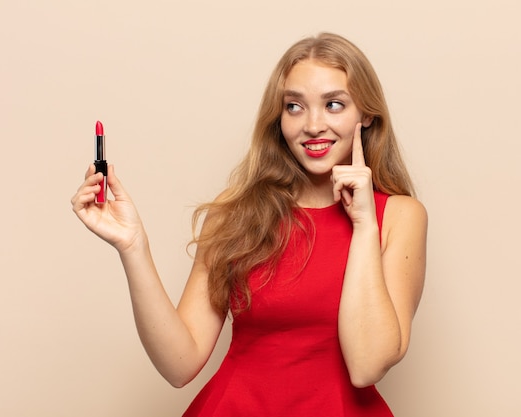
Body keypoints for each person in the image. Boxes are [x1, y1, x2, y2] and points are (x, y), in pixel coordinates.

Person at [71, 32, 427, 416]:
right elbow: (179, 364)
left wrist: (362, 224)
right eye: (294, 106)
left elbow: (367, 365)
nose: (312, 124)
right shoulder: (235, 216)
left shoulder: (399, 216)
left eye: (334, 104)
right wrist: (132, 246)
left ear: (367, 115)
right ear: (279, 118)